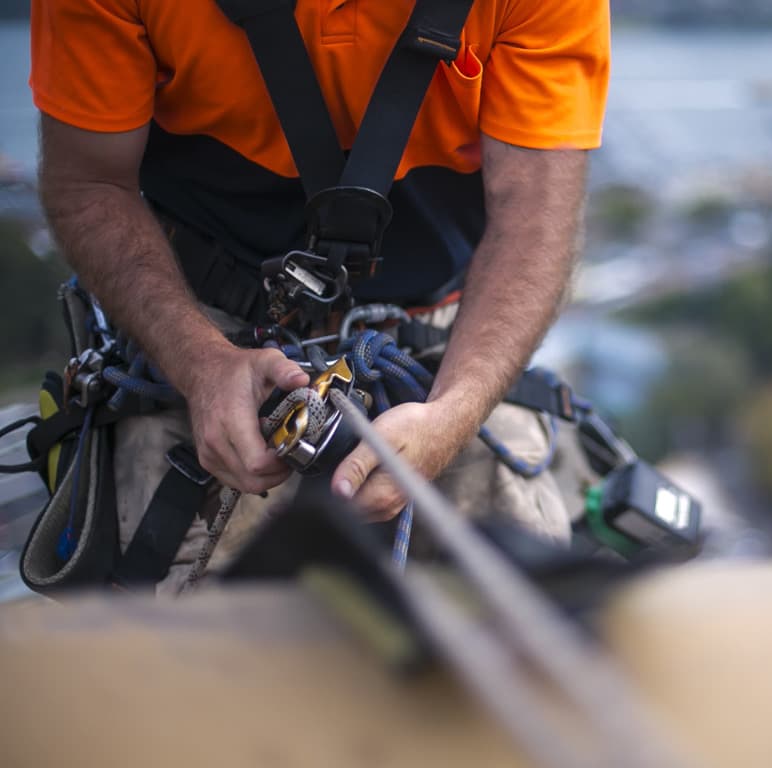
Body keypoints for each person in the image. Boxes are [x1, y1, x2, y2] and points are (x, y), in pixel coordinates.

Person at [29, 0, 611, 591]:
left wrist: (455, 413)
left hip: (448, 341)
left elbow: (534, 222)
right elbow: (90, 181)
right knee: (170, 638)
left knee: (530, 608)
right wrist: (198, 363)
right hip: (199, 320)